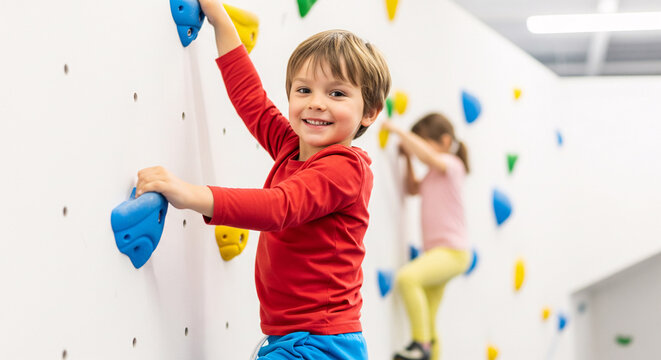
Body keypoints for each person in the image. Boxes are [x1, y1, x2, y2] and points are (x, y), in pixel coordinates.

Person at [135, 1, 391, 359]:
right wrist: (221, 23)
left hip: (321, 344)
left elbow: (278, 207)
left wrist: (190, 194)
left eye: (336, 93)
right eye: (304, 90)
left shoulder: (345, 170)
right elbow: (251, 100)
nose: (316, 103)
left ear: (369, 112)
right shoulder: (292, 148)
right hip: (292, 338)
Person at [382, 113, 471, 360]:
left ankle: (420, 345)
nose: (419, 147)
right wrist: (408, 158)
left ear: (444, 141)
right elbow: (411, 188)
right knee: (430, 320)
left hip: (453, 252)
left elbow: (428, 156)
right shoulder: (433, 174)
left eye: (424, 141)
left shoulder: (452, 165)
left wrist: (399, 132)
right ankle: (427, 346)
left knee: (407, 278)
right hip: (437, 253)